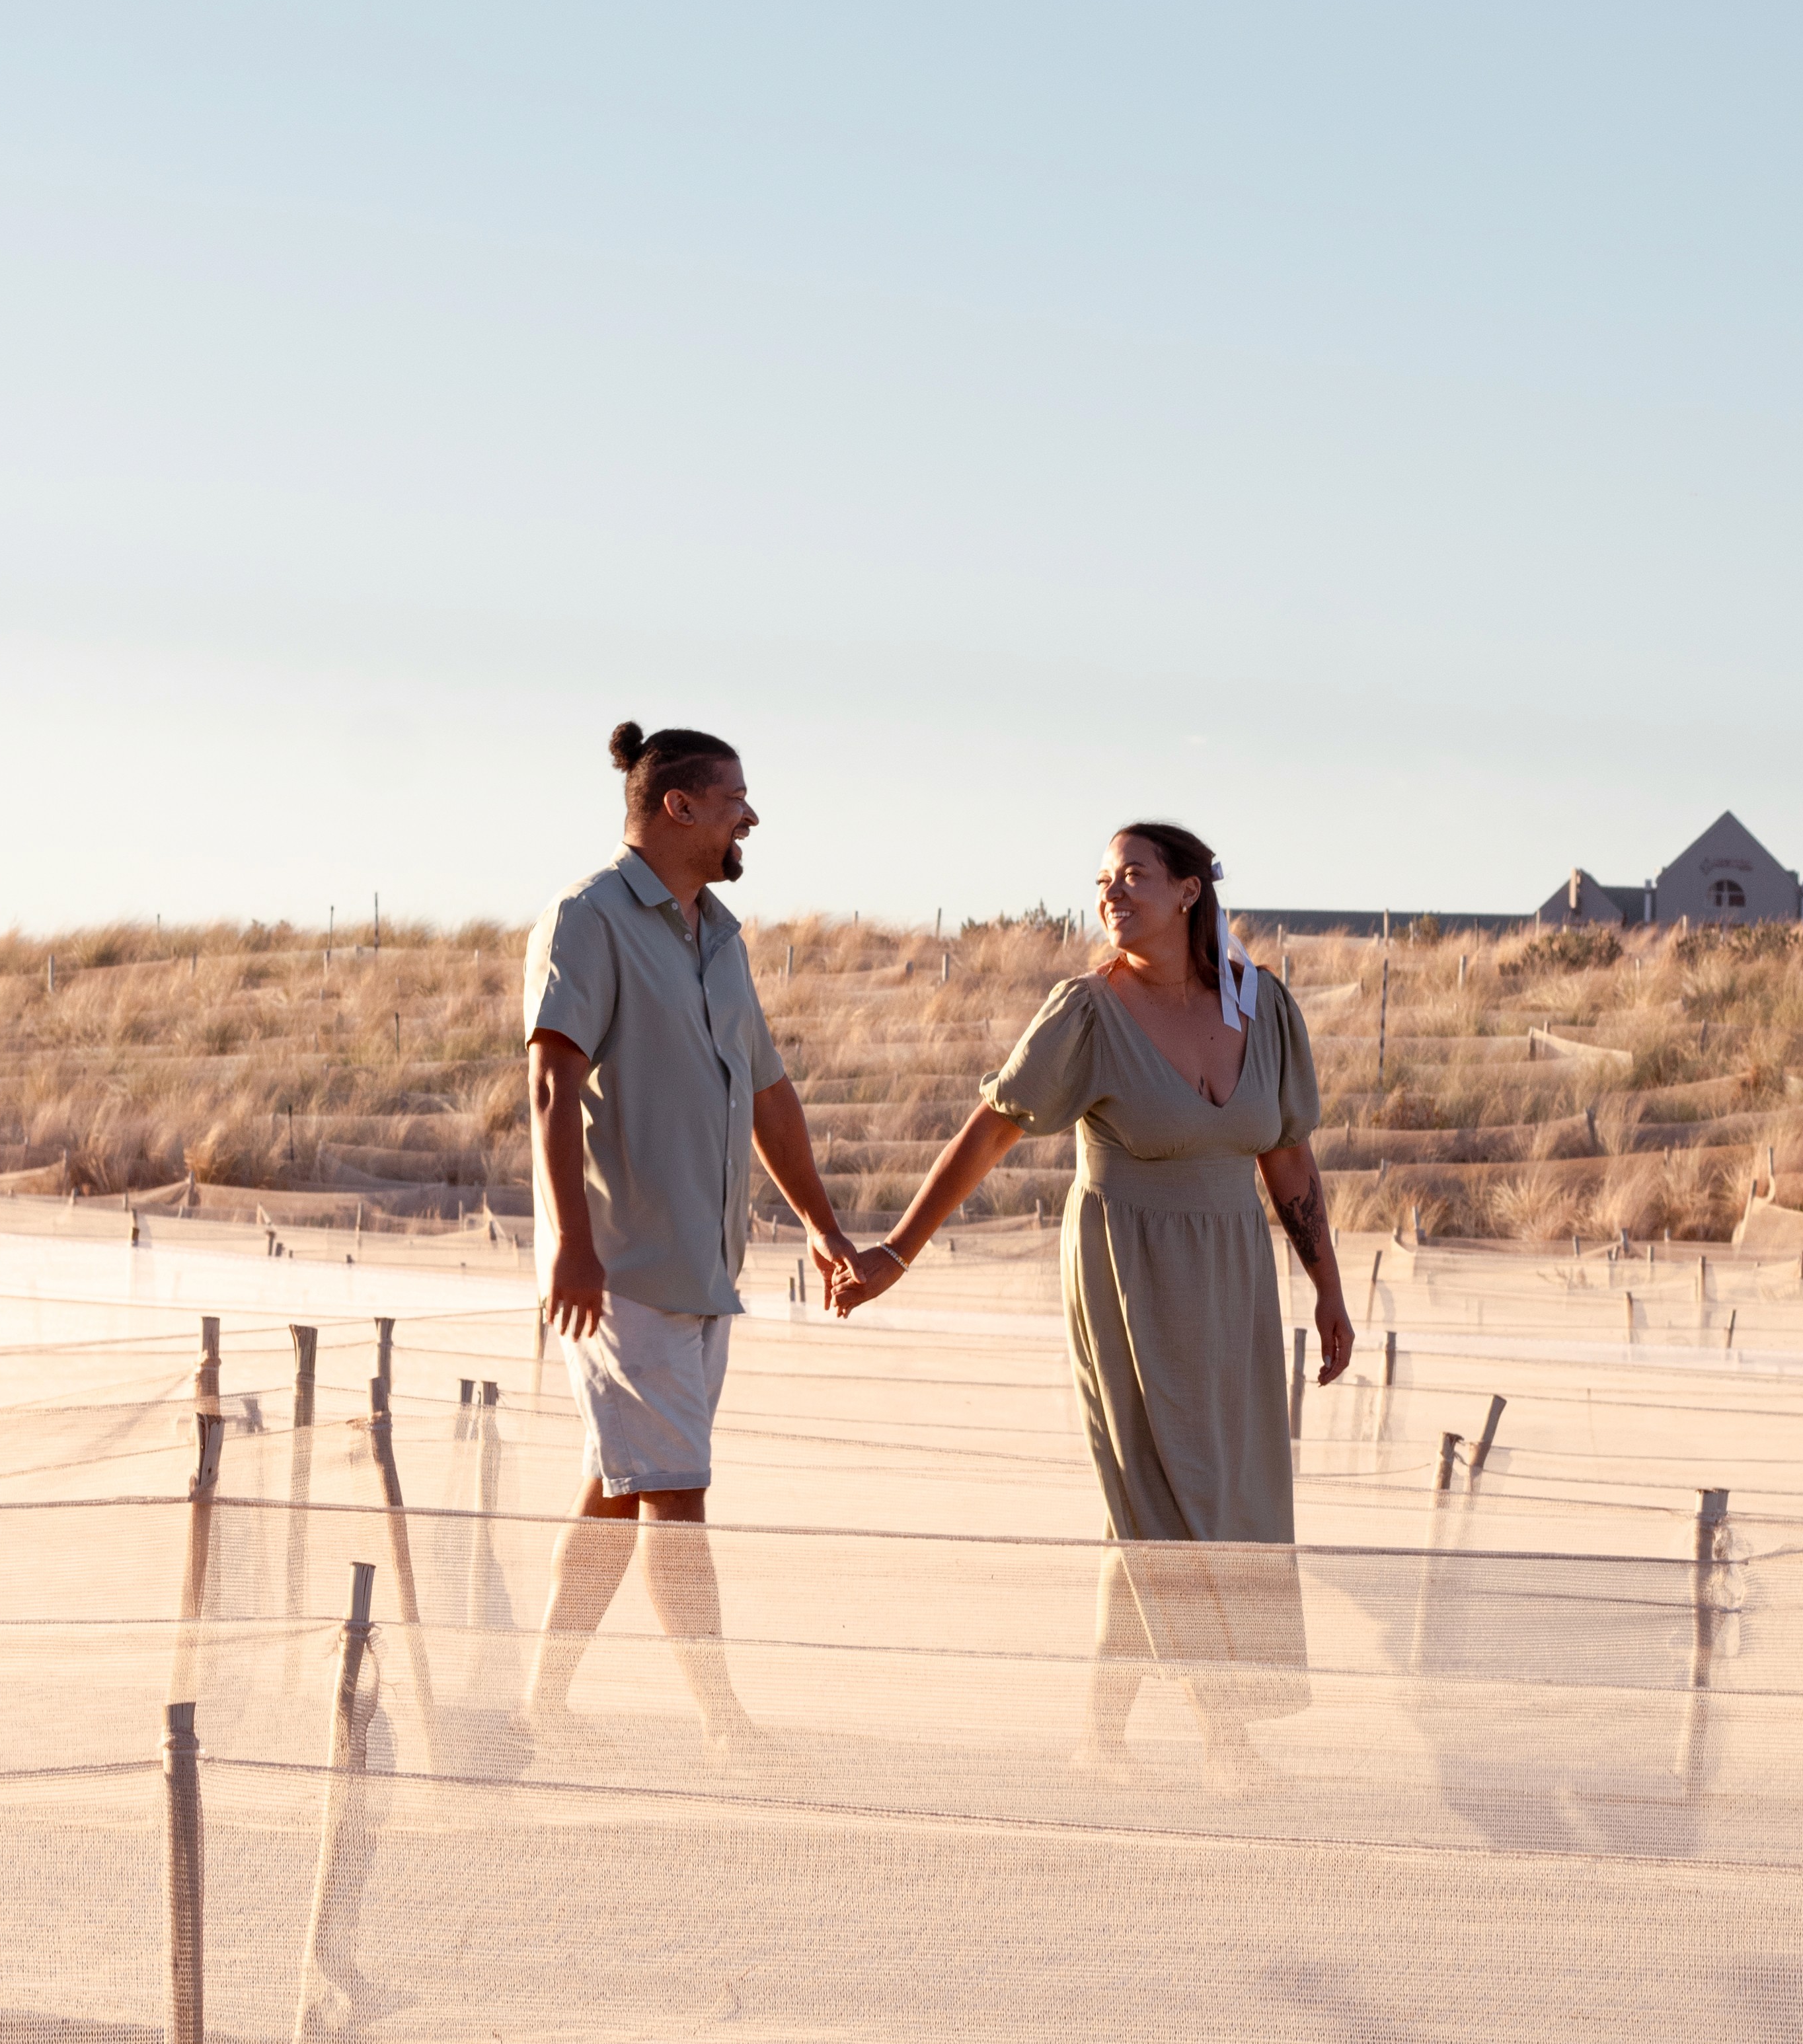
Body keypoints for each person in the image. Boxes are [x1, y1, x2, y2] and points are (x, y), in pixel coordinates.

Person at [833, 823, 1357, 1782]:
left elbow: (1286, 1152)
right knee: (1165, 1491)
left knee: (1210, 1498)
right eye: (1104, 880)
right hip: (1128, 1273)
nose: (1112, 893)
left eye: (1135, 876)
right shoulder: (1085, 1011)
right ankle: (1224, 1739)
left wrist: (1327, 1286)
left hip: (1236, 1275)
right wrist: (899, 1251)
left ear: (1192, 891)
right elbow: (994, 1127)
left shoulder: (1263, 1006)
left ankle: (1100, 1735)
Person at [522, 721, 856, 1753]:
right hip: (619, 1269)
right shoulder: (585, 920)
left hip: (704, 1270)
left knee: (622, 1486)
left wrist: (824, 1227)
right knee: (676, 1493)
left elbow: (768, 1093)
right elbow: (550, 1081)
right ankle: (727, 1721)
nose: (750, 815)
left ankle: (539, 1704)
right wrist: (574, 1247)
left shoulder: (721, 935)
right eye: (734, 798)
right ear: (679, 807)